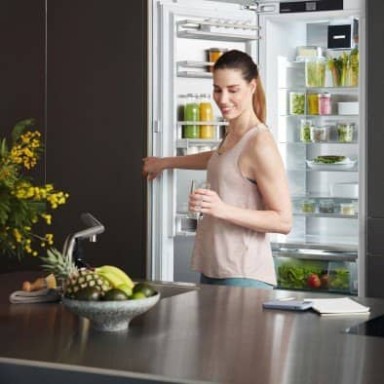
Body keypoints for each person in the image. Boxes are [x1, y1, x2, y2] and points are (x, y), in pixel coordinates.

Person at [143, 50, 292, 289]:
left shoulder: (260, 143)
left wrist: (221, 209)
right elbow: (219, 160)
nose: (223, 99)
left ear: (252, 87)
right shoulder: (233, 134)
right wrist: (166, 162)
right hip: (215, 268)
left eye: (233, 90)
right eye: (217, 89)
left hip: (243, 274)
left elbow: (283, 221)